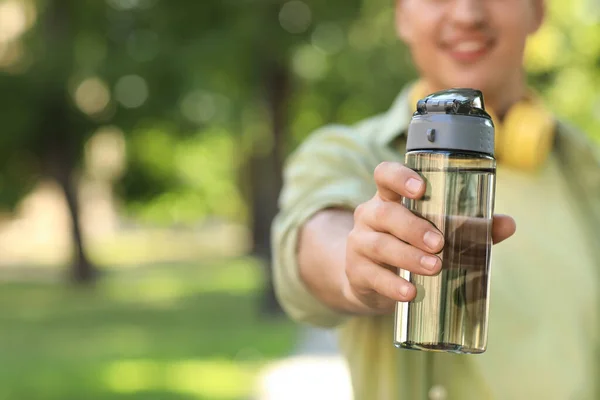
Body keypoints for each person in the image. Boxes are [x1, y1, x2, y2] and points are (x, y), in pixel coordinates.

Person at [271, 0, 600, 398]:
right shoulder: (347, 155)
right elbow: (311, 236)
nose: (466, 14)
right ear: (401, 16)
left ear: (538, 11)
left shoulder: (588, 169)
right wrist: (358, 264)